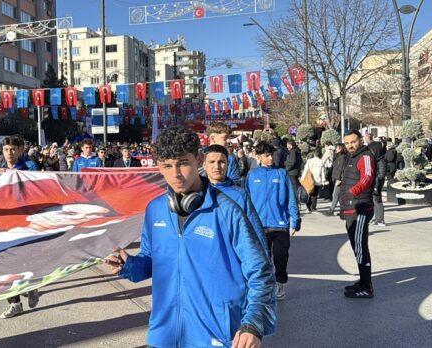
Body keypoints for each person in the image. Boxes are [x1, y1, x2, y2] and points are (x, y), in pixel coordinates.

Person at [107, 127, 275, 348]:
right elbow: (151, 260)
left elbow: (260, 271)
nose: (175, 174)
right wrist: (129, 265)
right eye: (167, 165)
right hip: (164, 335)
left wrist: (253, 323)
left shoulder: (227, 210)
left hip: (217, 335)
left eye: (183, 163)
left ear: (198, 160)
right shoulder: (155, 210)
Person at [0, 135, 41, 318]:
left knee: (25, 261)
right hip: (4, 223)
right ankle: (15, 303)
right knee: (4, 264)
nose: (9, 153)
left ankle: (33, 285)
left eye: (13, 149)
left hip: (27, 223)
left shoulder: (30, 167)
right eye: (6, 150)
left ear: (20, 150)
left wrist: (11, 175)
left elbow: (37, 191)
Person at [245, 141, 301, 300]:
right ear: (259, 157)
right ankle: (264, 286)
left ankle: (280, 283)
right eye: (267, 156)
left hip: (280, 224)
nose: (271, 158)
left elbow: (291, 198)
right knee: (262, 259)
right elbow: (246, 200)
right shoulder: (252, 175)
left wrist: (295, 219)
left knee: (281, 255)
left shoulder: (281, 174)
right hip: (259, 225)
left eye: (272, 155)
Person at [339, 130, 375, 299]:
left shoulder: (365, 156)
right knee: (356, 247)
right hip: (351, 209)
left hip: (360, 208)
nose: (350, 145)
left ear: (360, 140)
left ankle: (366, 287)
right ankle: (362, 282)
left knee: (360, 248)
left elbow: (367, 177)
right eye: (347, 143)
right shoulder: (352, 157)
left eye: (353, 141)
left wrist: (353, 192)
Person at [299, 148, 327, 213]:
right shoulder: (321, 162)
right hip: (317, 180)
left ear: (314, 154)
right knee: (315, 195)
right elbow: (323, 172)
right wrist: (323, 180)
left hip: (309, 180)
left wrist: (302, 178)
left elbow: (305, 170)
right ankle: (313, 207)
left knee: (308, 194)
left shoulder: (309, 161)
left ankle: (308, 208)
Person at [368, 141, 387, 226]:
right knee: (374, 200)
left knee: (377, 200)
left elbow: (381, 175)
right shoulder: (375, 159)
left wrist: (376, 185)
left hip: (377, 182)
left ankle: (381, 219)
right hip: (373, 182)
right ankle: (376, 218)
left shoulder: (381, 161)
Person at [327, 144, 348, 216]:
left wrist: (339, 179)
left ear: (341, 149)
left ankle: (331, 210)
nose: (336, 149)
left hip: (340, 179)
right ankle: (344, 210)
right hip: (337, 178)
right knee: (339, 196)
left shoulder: (342, 157)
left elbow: (341, 169)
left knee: (335, 194)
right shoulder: (339, 156)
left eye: (337, 148)